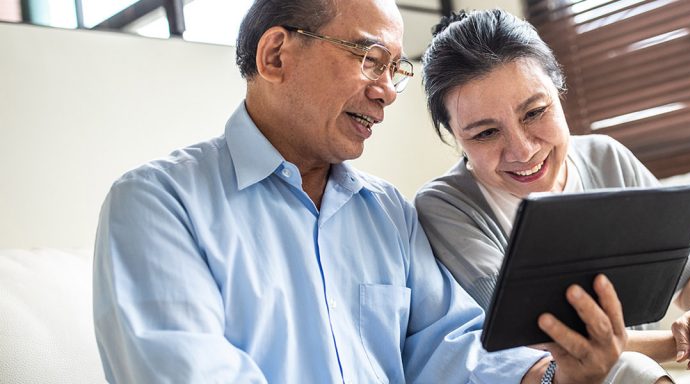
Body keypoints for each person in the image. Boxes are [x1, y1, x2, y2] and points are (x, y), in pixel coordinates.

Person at [92, 0, 629, 382]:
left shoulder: (388, 213)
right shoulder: (158, 203)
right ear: (275, 55)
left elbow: (452, 350)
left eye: (394, 69)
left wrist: (557, 376)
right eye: (369, 59)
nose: (387, 93)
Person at [414, 9, 690, 384]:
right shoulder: (445, 206)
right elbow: (529, 341)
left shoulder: (606, 157)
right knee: (629, 368)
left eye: (535, 112)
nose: (522, 151)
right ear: (455, 138)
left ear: (559, 92)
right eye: (485, 134)